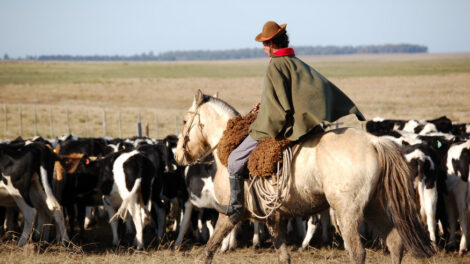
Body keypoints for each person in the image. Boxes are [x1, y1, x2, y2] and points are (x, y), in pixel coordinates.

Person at [224, 21, 365, 224]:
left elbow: (277, 111)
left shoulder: (275, 66)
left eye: (264, 44)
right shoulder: (294, 61)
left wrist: (257, 127)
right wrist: (264, 103)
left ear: (271, 43)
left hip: (281, 124)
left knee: (235, 159)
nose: (263, 48)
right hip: (303, 121)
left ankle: (236, 209)